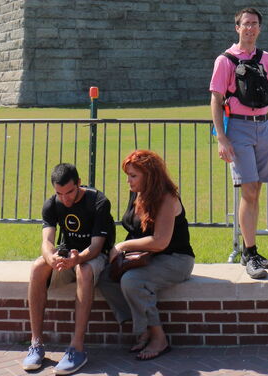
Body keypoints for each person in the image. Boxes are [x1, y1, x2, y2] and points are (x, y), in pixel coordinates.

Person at [209, 7, 268, 279]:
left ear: (260, 29)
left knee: (256, 190)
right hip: (238, 128)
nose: (250, 28)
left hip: (264, 126)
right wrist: (222, 139)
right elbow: (216, 99)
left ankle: (249, 251)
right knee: (248, 190)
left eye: (255, 24)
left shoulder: (266, 58)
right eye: (245, 24)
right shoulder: (225, 60)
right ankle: (249, 252)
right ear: (237, 28)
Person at [98, 150, 194, 361]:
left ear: (149, 175)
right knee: (105, 277)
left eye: (133, 176)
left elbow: (160, 241)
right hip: (145, 256)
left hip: (175, 259)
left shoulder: (168, 198)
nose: (128, 181)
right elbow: (135, 228)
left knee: (133, 281)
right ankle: (141, 328)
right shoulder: (138, 192)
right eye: (128, 175)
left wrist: (122, 246)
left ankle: (159, 338)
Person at [23, 163, 115, 375]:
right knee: (38, 266)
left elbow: (96, 247)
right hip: (68, 256)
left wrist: (77, 259)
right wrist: (51, 257)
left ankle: (77, 348)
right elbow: (47, 242)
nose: (64, 198)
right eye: (59, 193)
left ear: (79, 183)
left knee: (83, 270)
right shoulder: (52, 204)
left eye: (69, 192)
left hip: (94, 257)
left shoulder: (98, 201)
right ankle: (36, 344)